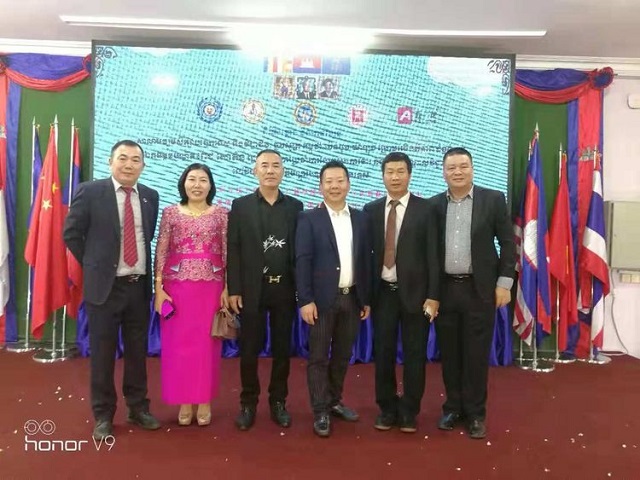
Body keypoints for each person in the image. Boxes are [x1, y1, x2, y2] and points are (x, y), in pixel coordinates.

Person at [63, 140, 160, 440]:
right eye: (123, 158)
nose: (129, 164)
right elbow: (71, 233)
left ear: (143, 165)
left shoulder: (150, 196)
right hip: (104, 289)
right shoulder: (91, 192)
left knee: (137, 353)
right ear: (110, 161)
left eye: (135, 160)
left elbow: (146, 236)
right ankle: (103, 415)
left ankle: (138, 407)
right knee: (103, 355)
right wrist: (94, 264)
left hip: (137, 288)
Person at [430, 147, 516, 439]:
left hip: (480, 290)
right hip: (445, 290)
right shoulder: (434, 205)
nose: (457, 172)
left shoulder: (493, 199)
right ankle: (453, 408)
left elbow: (507, 243)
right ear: (443, 172)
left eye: (463, 166)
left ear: (472, 168)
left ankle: (476, 414)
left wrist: (504, 283)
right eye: (451, 167)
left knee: (476, 355)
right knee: (450, 354)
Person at [363, 152, 440, 433]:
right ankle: (386, 408)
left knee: (414, 354)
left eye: (400, 171)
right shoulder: (371, 210)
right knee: (383, 354)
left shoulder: (426, 209)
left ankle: (409, 410)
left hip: (417, 296)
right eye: (390, 172)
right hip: (383, 294)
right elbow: (365, 256)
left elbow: (434, 255)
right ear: (383, 175)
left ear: (409, 174)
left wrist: (434, 295)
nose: (395, 177)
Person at [227, 150, 303, 430]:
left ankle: (278, 402)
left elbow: (299, 251)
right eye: (264, 166)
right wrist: (234, 288)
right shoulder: (241, 206)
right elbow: (234, 249)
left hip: (284, 288)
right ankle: (248, 403)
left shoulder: (295, 206)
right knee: (249, 349)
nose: (270, 170)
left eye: (275, 166)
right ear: (255, 170)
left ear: (282, 171)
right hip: (251, 290)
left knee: (282, 350)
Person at [295, 160, 371, 438]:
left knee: (342, 355)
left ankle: (334, 400)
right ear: (321, 186)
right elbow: (302, 260)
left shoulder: (361, 218)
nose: (335, 186)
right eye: (329, 181)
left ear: (348, 184)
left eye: (340, 181)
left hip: (352, 298)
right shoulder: (308, 218)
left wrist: (366, 299)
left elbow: (365, 261)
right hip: (321, 301)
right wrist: (305, 300)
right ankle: (320, 410)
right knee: (318, 357)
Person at [153, 163, 228, 427]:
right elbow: (161, 249)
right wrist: (158, 288)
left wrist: (228, 288)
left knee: (207, 346)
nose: (197, 185)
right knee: (179, 347)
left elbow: (227, 252)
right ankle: (185, 401)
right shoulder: (170, 213)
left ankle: (204, 400)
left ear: (211, 185)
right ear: (183, 183)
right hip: (176, 288)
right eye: (192, 179)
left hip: (211, 287)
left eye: (203, 180)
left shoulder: (222, 214)